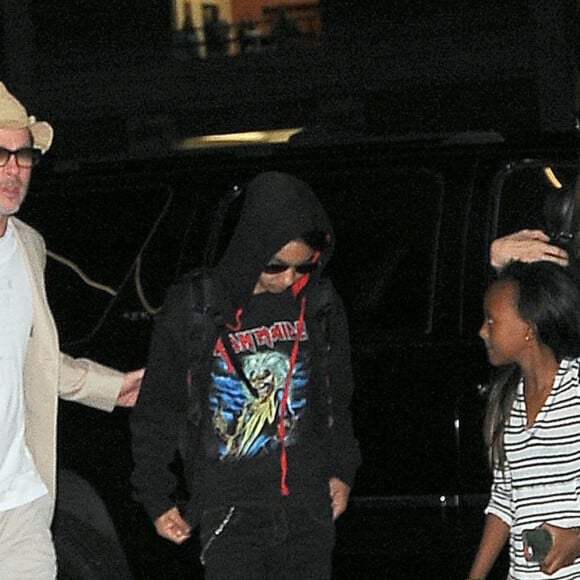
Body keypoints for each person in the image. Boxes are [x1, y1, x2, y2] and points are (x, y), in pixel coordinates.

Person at [130, 171, 361, 579]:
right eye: (275, 266)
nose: (288, 278)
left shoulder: (320, 304)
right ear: (251, 247)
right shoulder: (196, 307)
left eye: (301, 267)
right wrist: (156, 496)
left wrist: (342, 469)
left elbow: (338, 397)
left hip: (307, 506)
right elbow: (157, 408)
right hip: (229, 510)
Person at [0, 82, 143, 578]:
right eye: (0, 153)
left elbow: (34, 356)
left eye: (23, 155)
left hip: (19, 497)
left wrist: (113, 387)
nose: (14, 169)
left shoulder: (28, 246)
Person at [467, 260, 580, 578]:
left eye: (492, 320)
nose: (482, 330)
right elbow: (504, 501)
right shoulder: (508, 402)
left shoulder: (576, 388)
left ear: (529, 328)